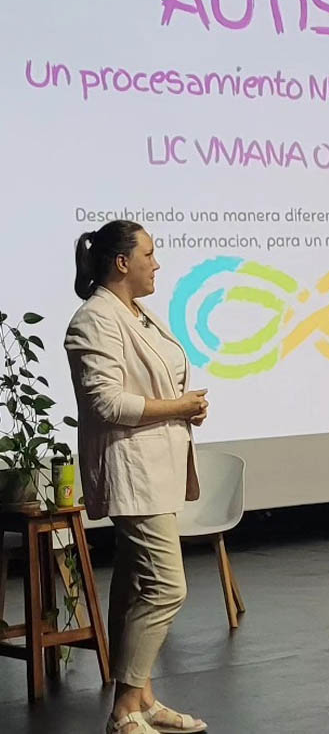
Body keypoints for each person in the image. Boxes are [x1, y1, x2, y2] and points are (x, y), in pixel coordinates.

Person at [65, 220, 209, 734]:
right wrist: (177, 407)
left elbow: (155, 381)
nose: (157, 263)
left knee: (134, 587)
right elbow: (105, 403)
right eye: (149, 254)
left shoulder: (139, 314)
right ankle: (125, 706)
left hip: (157, 468)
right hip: (131, 471)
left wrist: (184, 408)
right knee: (167, 587)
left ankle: (143, 700)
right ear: (122, 262)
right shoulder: (94, 319)